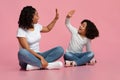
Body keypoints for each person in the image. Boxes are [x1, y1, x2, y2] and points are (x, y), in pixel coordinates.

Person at [17, 6, 64, 70]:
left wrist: (55, 19)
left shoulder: (37, 26)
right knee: (22, 52)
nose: (38, 17)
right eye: (36, 15)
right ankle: (48, 65)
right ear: (30, 17)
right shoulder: (21, 30)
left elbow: (47, 28)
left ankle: (36, 66)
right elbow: (27, 49)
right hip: (27, 58)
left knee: (60, 49)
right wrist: (41, 58)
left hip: (38, 55)